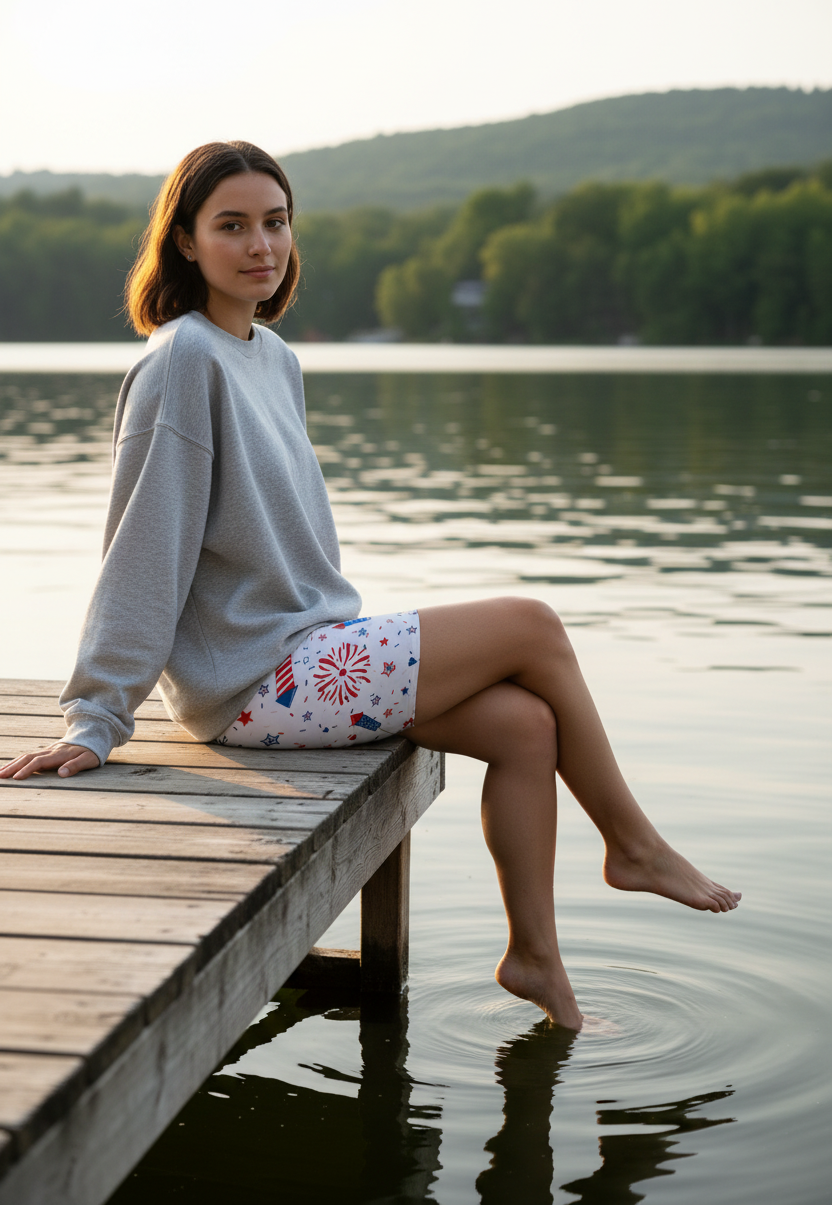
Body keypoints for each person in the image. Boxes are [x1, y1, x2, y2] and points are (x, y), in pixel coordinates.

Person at [0, 141, 740, 1031]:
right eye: (231, 225)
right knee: (534, 625)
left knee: (526, 725)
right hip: (251, 680)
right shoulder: (180, 362)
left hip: (311, 651)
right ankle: (633, 845)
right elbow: (142, 553)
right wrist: (97, 716)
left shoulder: (271, 358)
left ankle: (533, 956)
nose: (261, 245)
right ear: (186, 242)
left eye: (275, 222)